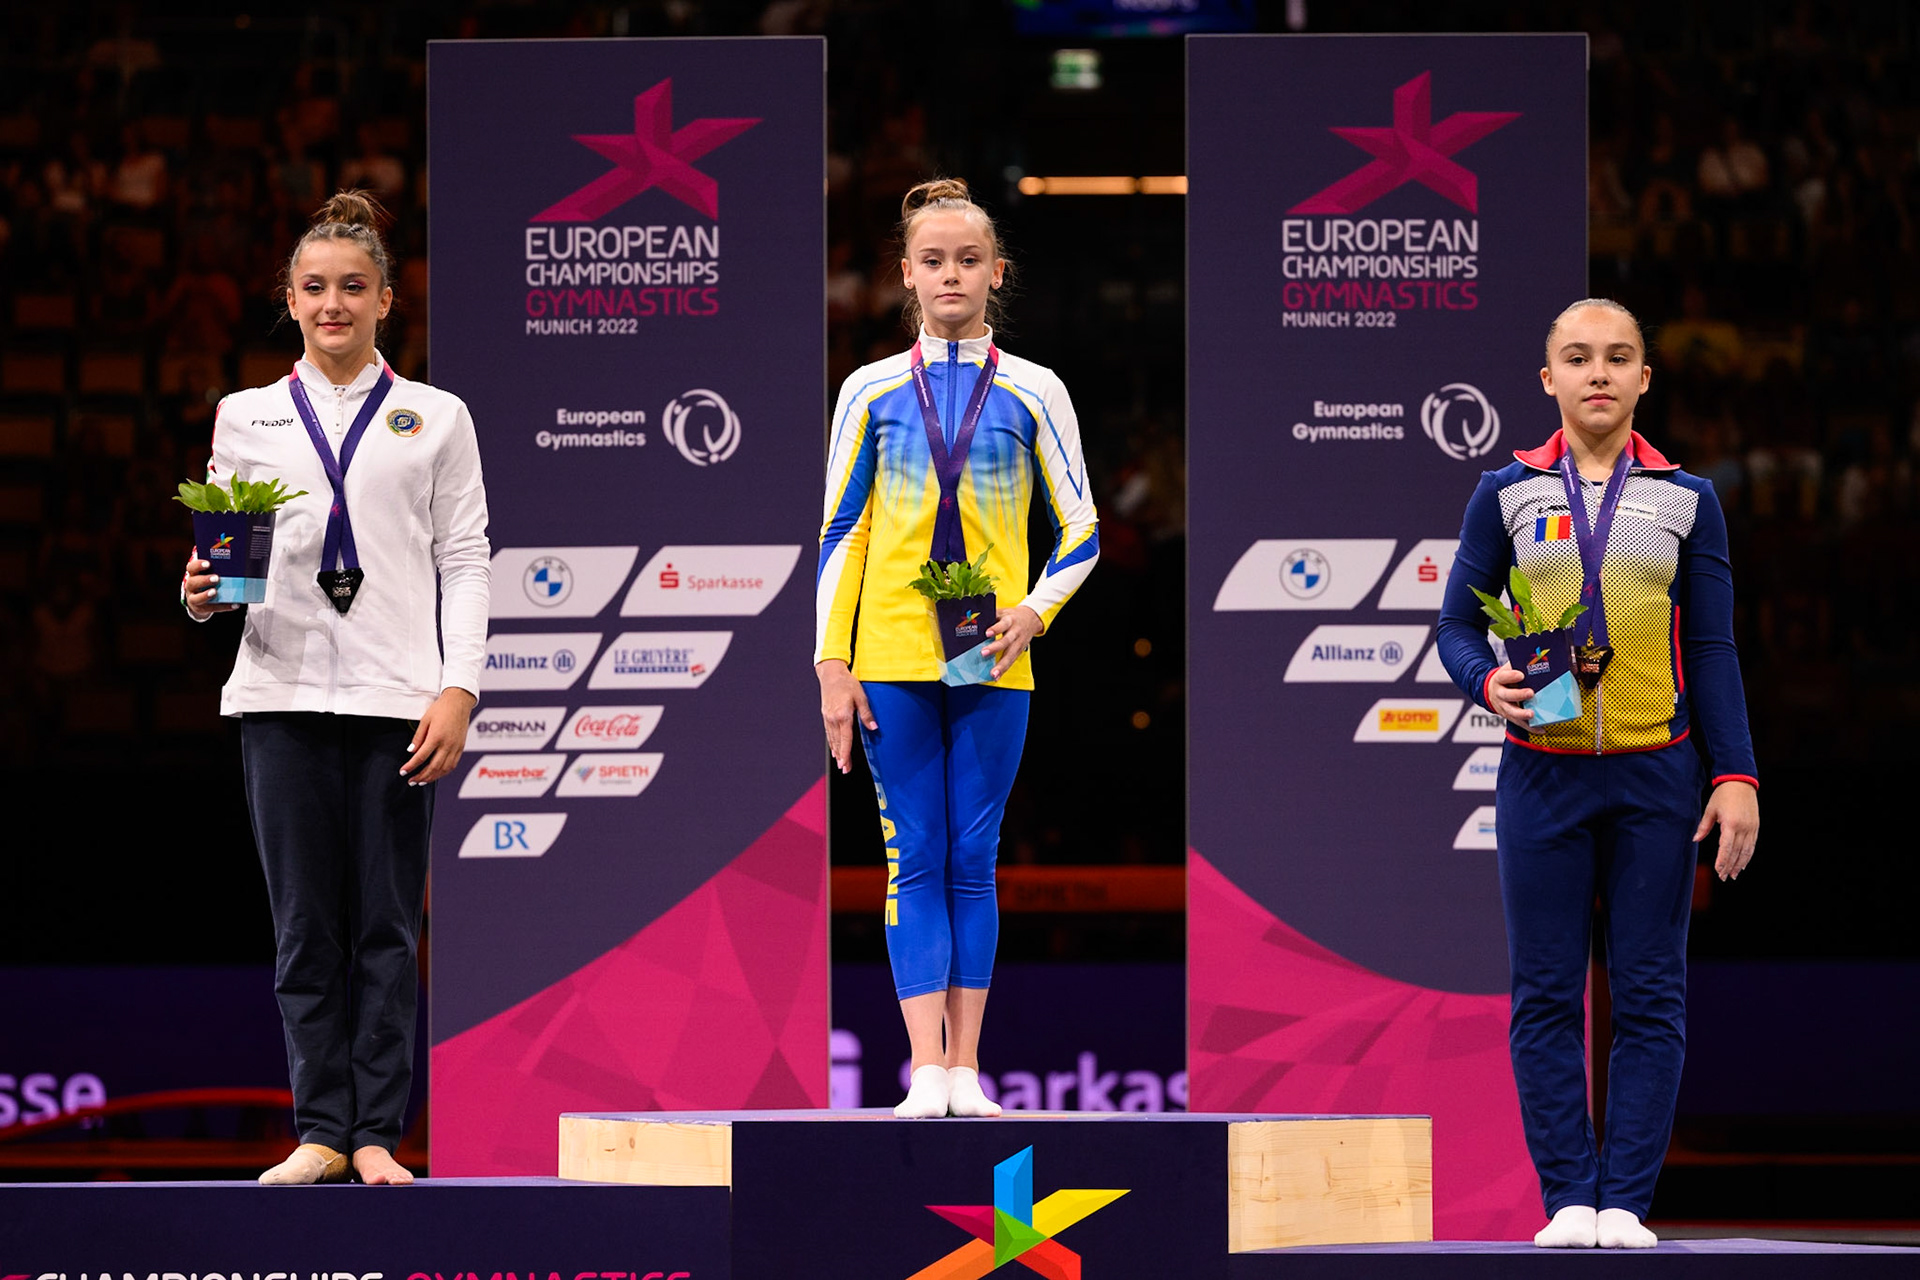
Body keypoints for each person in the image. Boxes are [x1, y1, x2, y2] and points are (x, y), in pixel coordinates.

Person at [180, 191, 490, 1185]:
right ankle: (320, 1127)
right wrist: (200, 597)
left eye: (353, 286)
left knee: (386, 929)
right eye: (314, 287)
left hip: (400, 698)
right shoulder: (248, 417)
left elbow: (468, 558)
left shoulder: (436, 417)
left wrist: (461, 687)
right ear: (289, 298)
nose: (332, 303)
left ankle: (375, 1137)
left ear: (387, 300)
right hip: (279, 694)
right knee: (306, 928)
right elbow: (231, 571)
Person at [1438, 299, 1760, 1249]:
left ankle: (1625, 1203)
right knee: (1545, 995)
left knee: (1652, 996)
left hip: (1658, 775)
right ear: (1549, 380)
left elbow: (1711, 645)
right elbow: (1458, 625)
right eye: (1578, 359)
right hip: (1543, 772)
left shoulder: (1687, 497)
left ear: (1644, 377)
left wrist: (1734, 775)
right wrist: (1480, 680)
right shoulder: (1504, 491)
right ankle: (1569, 1200)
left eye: (1619, 358)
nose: (1599, 374)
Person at [814, 179, 1098, 1119]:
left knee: (974, 856)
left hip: (993, 655)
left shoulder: (1035, 389)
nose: (950, 273)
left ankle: (968, 1068)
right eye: (932, 260)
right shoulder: (870, 390)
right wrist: (830, 663)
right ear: (906, 274)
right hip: (890, 656)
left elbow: (1084, 530)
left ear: (996, 273)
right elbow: (841, 533)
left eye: (968, 259)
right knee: (916, 855)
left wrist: (1033, 612)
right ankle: (921, 1067)